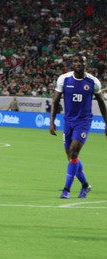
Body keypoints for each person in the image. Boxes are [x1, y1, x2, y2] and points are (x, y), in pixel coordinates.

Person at [49, 54, 107, 199]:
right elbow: (55, 101)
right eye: (75, 61)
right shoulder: (64, 79)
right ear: (71, 64)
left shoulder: (93, 82)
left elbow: (101, 103)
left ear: (86, 64)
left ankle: (66, 190)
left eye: (81, 61)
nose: (78, 63)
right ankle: (85, 185)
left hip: (84, 122)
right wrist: (52, 122)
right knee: (71, 156)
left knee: (73, 152)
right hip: (68, 121)